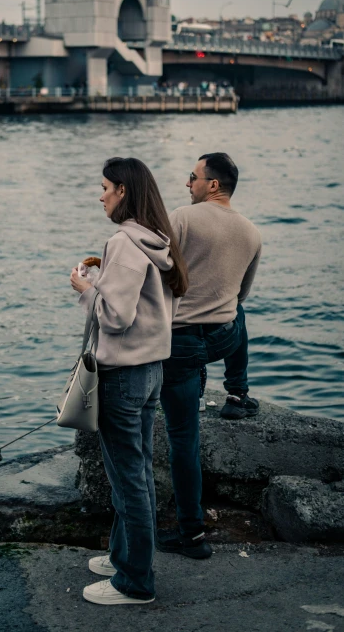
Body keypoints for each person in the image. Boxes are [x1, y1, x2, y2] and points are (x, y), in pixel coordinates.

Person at [70, 157, 188, 606]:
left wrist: (84, 289)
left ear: (123, 191)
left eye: (104, 187)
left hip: (122, 376)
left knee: (128, 479)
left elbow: (116, 318)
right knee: (135, 470)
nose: (100, 195)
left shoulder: (123, 241)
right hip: (152, 371)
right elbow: (149, 309)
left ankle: (134, 582)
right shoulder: (159, 240)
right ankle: (124, 554)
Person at [157, 152, 262, 560]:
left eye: (193, 177)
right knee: (238, 311)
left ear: (212, 185)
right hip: (221, 339)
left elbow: (159, 274)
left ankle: (192, 535)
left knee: (183, 437)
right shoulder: (252, 232)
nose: (188, 184)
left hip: (181, 344)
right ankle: (237, 393)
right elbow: (242, 295)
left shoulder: (183, 217)